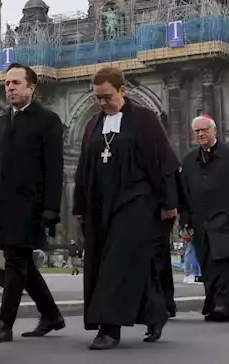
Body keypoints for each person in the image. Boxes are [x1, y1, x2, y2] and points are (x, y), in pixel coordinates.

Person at [72, 67, 180, 349]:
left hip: (136, 201)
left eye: (107, 97)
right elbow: (83, 167)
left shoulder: (144, 120)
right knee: (119, 263)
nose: (103, 103)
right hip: (101, 204)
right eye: (98, 98)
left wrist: (169, 204)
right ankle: (154, 311)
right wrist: (79, 205)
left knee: (116, 262)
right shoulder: (94, 124)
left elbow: (165, 162)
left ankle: (109, 328)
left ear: (123, 91)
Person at [0, 63, 65, 343]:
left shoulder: (48, 120)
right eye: (7, 83)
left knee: (15, 261)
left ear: (32, 87)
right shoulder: (2, 121)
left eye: (16, 83)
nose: (11, 88)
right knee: (22, 262)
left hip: (30, 205)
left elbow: (54, 168)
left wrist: (51, 209)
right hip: (1, 205)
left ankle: (4, 323)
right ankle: (51, 314)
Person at [177, 115, 229, 323]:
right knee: (208, 263)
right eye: (196, 131)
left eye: (204, 130)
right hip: (200, 220)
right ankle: (214, 301)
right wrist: (184, 220)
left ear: (215, 130)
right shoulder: (189, 161)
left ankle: (222, 305)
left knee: (224, 261)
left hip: (227, 217)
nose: (200, 134)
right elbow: (184, 194)